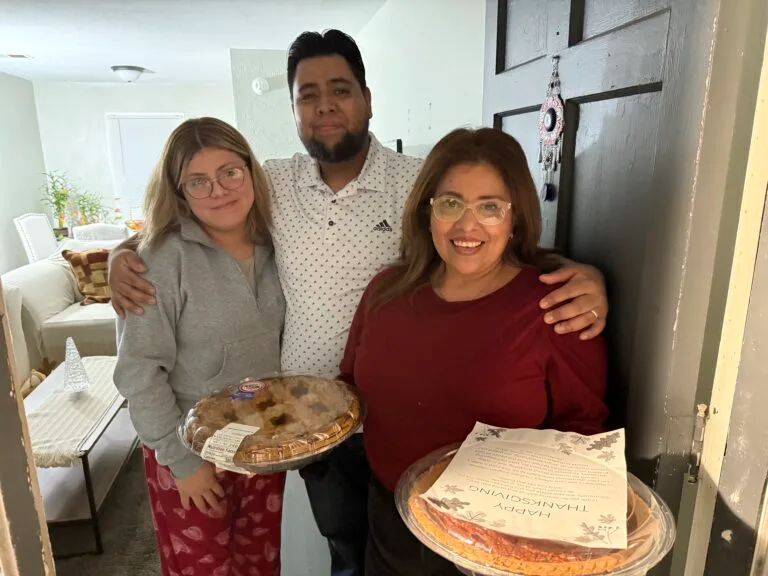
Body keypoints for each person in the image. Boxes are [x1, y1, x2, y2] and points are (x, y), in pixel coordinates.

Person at [108, 30, 609, 576]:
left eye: (341, 90)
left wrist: (583, 274)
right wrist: (122, 254)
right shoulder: (272, 183)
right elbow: (199, 211)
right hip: (308, 423)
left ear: (367, 99)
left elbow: (484, 236)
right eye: (308, 95)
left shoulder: (416, 181)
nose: (325, 105)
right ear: (294, 110)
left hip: (397, 424)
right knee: (348, 553)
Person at [339, 127, 609, 576]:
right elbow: (348, 388)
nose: (467, 226)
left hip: (494, 542)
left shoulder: (556, 307)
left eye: (490, 207)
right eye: (450, 203)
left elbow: (583, 436)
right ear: (427, 212)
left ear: (515, 218)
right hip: (389, 522)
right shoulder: (385, 292)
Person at [113, 117, 285, 576]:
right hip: (188, 451)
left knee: (260, 564)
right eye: (198, 181)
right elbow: (139, 372)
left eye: (230, 172)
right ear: (179, 191)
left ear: (249, 171)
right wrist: (182, 463)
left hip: (263, 444)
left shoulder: (280, 241)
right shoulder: (158, 261)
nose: (219, 190)